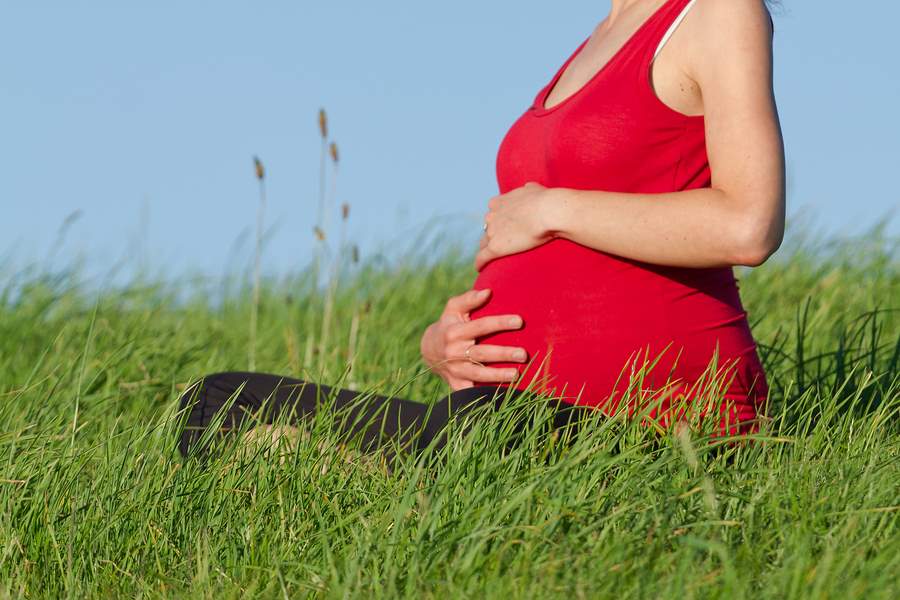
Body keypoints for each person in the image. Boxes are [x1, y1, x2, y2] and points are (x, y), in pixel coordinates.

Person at [177, 0, 785, 466]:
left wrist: (553, 208)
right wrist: (445, 344)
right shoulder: (596, 40)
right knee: (218, 402)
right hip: (499, 408)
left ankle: (372, 487)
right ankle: (375, 489)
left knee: (483, 424)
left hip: (658, 428)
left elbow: (748, 223)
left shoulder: (718, 13)